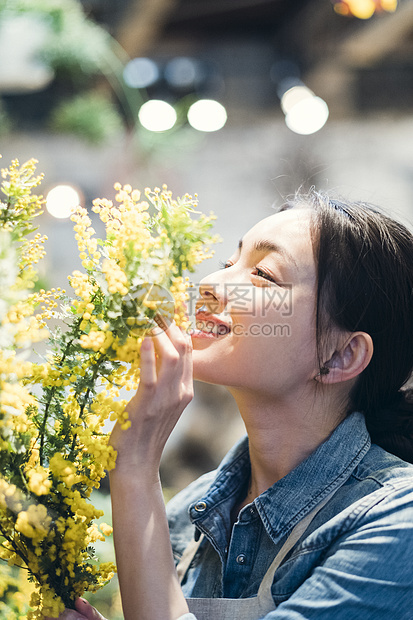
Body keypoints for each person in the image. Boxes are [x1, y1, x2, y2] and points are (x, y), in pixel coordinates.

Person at [53, 190, 413, 620]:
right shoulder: (190, 513)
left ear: (339, 356)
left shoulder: (394, 518)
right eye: (229, 264)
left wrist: (132, 465)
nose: (211, 284)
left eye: (262, 275)